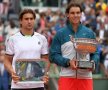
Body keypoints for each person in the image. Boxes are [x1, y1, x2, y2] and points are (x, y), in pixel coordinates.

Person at [49, 2, 99, 90]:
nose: (75, 15)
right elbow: (53, 55)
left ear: (81, 14)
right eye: (72, 13)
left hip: (86, 77)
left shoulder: (89, 33)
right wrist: (68, 62)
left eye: (78, 13)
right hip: (66, 77)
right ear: (67, 14)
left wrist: (93, 63)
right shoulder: (60, 34)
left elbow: (95, 53)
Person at [4, 9, 49, 90]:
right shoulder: (13, 39)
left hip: (38, 85)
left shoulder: (42, 38)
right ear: (20, 21)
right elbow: (7, 60)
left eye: (31, 19)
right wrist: (12, 73)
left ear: (34, 20)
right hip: (18, 85)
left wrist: (45, 73)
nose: (29, 21)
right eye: (26, 19)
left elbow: (46, 59)